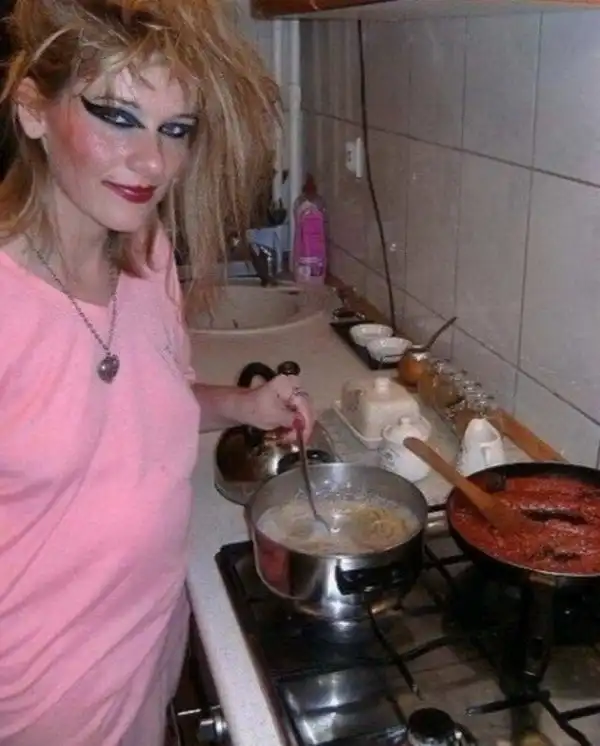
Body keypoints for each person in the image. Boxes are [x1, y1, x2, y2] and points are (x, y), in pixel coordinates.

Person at [0, 1, 315, 744]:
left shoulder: (146, 257)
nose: (153, 163)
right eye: (118, 117)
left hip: (147, 654)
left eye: (176, 129)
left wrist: (242, 405)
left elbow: (140, 409)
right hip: (38, 700)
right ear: (33, 110)